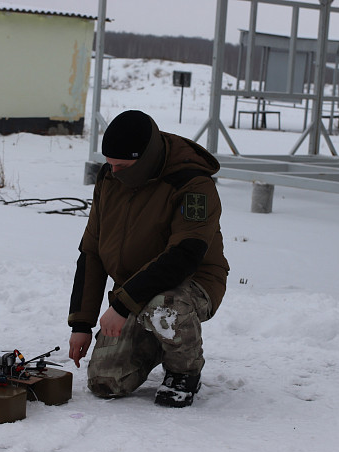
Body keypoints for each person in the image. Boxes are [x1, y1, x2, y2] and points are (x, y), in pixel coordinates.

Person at [67, 110, 229, 407]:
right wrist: (81, 324)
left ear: (145, 158)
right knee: (105, 382)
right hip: (135, 289)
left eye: (121, 166)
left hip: (191, 283)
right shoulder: (110, 177)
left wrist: (121, 304)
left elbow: (185, 256)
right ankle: (158, 338)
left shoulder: (193, 184)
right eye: (109, 164)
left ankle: (184, 372)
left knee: (165, 306)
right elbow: (91, 251)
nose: (112, 172)